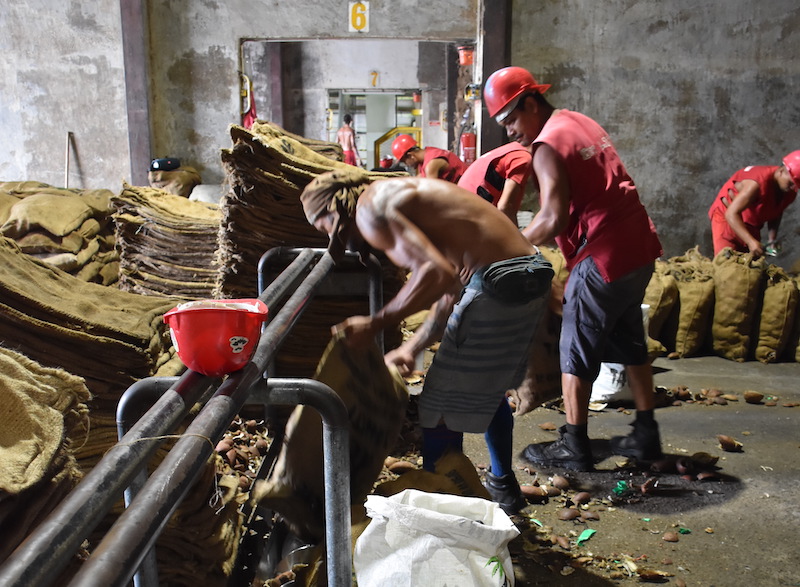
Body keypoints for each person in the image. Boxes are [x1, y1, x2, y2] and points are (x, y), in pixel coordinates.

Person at [299, 169, 553, 514]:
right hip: (528, 272)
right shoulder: (404, 200)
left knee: (439, 403)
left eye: (324, 228)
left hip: (498, 281)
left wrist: (375, 322)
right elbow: (449, 290)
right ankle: (502, 486)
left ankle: (440, 503)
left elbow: (435, 274)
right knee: (486, 386)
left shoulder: (369, 208)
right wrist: (412, 347)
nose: (332, 236)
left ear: (333, 211)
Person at [483, 65, 664, 471]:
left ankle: (574, 445)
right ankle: (646, 433)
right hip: (638, 247)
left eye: (510, 119)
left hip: (603, 255)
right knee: (630, 340)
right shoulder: (578, 121)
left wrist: (511, 244)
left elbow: (553, 217)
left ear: (531, 103)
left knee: (574, 348)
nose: (509, 131)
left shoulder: (546, 145)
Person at [708, 151, 800, 258]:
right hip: (727, 219)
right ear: (781, 171)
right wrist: (750, 242)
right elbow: (731, 214)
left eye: (797, 185)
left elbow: (776, 211)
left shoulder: (789, 191)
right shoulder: (756, 184)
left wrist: (772, 239)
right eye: (791, 183)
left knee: (753, 263)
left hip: (751, 224)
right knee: (726, 263)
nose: (793, 188)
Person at [457, 142, 533, 223]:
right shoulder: (523, 158)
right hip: (468, 215)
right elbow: (505, 208)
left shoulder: (513, 148)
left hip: (458, 206)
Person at [391, 134, 468, 184]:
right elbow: (420, 177)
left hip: (469, 188)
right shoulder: (426, 156)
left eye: (404, 161)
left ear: (411, 155)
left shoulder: (431, 165)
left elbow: (432, 193)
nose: (407, 165)